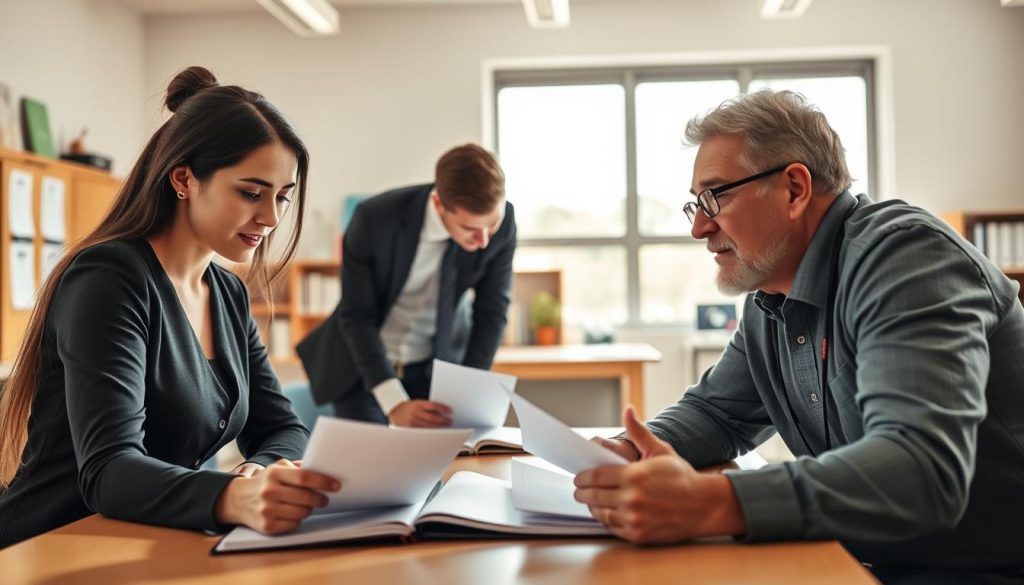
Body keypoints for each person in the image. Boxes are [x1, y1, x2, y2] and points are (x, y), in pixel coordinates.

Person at [575, 90, 1024, 582]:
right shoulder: (771, 299)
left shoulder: (906, 257)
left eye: (714, 196)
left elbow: (920, 469)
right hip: (876, 563)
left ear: (794, 188)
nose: (700, 227)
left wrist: (712, 502)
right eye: (695, 204)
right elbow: (718, 412)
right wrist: (629, 450)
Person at [0, 66, 340, 548]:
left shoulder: (226, 292)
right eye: (250, 193)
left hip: (147, 543)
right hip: (47, 548)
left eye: (283, 197)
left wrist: (255, 472)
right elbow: (109, 469)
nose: (271, 218)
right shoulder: (108, 279)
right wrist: (233, 498)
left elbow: (282, 426)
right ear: (184, 178)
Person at [298, 144, 517, 427]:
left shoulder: (505, 222)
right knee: (371, 465)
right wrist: (394, 402)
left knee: (441, 465)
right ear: (438, 204)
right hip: (363, 367)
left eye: (493, 225)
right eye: (470, 229)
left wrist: (469, 391)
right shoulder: (374, 219)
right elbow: (357, 315)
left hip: (434, 365)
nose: (484, 240)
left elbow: (492, 310)